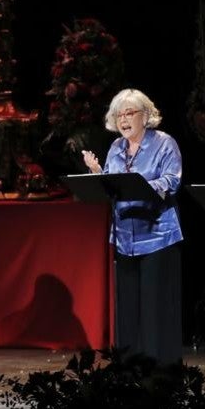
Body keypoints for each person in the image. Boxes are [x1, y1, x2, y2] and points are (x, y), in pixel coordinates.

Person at [81, 89, 184, 364]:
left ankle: (159, 372)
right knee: (128, 311)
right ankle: (129, 372)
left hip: (158, 237)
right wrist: (97, 175)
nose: (124, 120)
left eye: (130, 113)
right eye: (120, 115)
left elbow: (171, 181)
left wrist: (140, 186)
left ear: (146, 115)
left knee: (154, 311)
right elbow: (112, 186)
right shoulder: (116, 148)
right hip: (125, 238)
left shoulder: (164, 143)